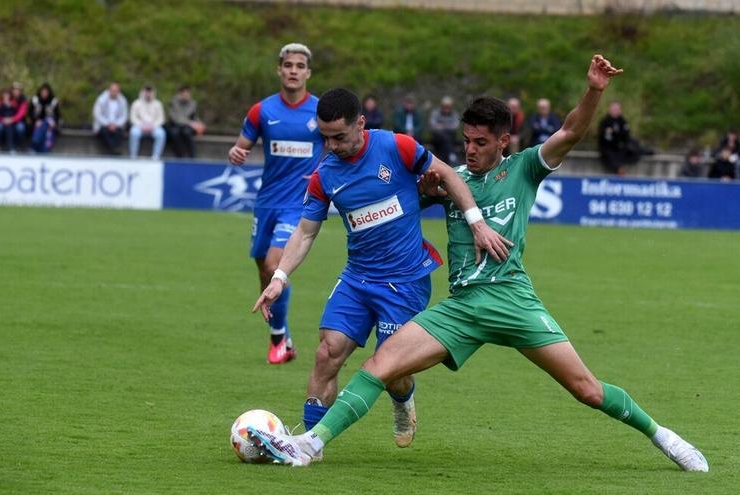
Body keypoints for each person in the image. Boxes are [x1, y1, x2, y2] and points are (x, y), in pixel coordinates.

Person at [248, 55, 710, 473]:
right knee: (378, 367)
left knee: (587, 390)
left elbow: (570, 132)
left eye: (480, 142)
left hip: (512, 300)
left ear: (503, 142)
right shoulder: (449, 183)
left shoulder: (525, 168)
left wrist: (593, 91)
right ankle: (308, 444)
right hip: (462, 308)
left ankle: (664, 437)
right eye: (466, 140)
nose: (469, 149)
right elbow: (396, 202)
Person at [251, 88, 510, 447]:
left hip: (405, 282)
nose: (331, 146)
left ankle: (403, 401)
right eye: (324, 138)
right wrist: (279, 277)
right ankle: (307, 443)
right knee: (327, 353)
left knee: (391, 371)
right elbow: (306, 232)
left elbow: (448, 174)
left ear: (361, 123)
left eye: (339, 137)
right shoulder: (324, 175)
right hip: (357, 279)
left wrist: (477, 223)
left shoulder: (397, 147)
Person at [228, 43, 323, 365]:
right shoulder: (262, 110)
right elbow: (241, 147)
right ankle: (282, 338)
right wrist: (236, 153)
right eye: (288, 65)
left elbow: (340, 148)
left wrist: (323, 175)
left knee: (273, 265)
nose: (294, 70)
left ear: (308, 73)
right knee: (262, 267)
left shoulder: (321, 112)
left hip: (299, 204)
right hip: (267, 201)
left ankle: (278, 341)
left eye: (300, 66)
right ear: (279, 70)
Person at [597, 100, 643, 175]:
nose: (615, 111)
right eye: (613, 109)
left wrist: (616, 134)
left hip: (621, 147)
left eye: (617, 109)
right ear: (609, 110)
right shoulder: (605, 122)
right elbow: (604, 138)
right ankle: (619, 169)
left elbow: (626, 135)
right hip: (608, 148)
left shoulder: (622, 121)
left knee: (634, 147)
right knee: (610, 155)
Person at [129, 85, 166, 159]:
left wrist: (153, 126)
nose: (148, 94)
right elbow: (133, 117)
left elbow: (161, 118)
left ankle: (156, 156)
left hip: (153, 127)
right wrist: (141, 125)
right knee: (134, 133)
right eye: (146, 92)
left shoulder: (158, 104)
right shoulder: (136, 103)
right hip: (140, 126)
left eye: (150, 92)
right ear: (143, 92)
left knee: (161, 134)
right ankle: (133, 156)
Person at [167, 85, 205, 158]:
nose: (186, 96)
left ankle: (192, 156)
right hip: (175, 125)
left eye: (188, 94)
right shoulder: (173, 102)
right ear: (180, 94)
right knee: (175, 133)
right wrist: (190, 123)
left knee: (187, 133)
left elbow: (194, 116)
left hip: (186, 127)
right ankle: (180, 156)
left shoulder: (193, 103)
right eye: (184, 94)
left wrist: (199, 123)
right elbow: (175, 118)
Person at [92, 82, 128, 155]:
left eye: (116, 91)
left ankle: (113, 149)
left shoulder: (122, 100)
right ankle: (113, 150)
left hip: (117, 125)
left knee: (119, 133)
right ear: (109, 90)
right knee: (105, 132)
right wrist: (108, 124)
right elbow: (97, 114)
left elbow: (124, 116)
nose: (114, 93)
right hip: (103, 125)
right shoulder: (101, 99)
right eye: (113, 91)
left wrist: (116, 125)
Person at [29, 82, 60, 153]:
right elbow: (30, 113)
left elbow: (57, 115)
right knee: (42, 125)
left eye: (46, 92)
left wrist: (55, 123)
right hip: (37, 124)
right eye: (43, 92)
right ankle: (41, 149)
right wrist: (35, 121)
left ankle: (35, 143)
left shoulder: (53, 101)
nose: (44, 93)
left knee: (46, 123)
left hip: (50, 125)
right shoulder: (35, 100)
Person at [428, 95, 460, 162]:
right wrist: (446, 127)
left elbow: (455, 126)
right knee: (442, 135)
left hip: (449, 136)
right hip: (437, 138)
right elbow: (433, 124)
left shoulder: (454, 114)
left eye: (448, 107)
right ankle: (451, 153)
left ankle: (442, 160)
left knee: (445, 137)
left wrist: (443, 126)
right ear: (442, 106)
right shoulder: (436, 113)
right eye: (445, 106)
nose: (446, 109)